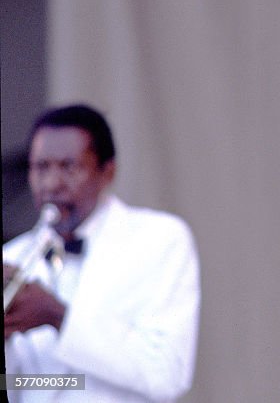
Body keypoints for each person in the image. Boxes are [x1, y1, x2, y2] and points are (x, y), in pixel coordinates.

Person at [3, 104, 200, 402]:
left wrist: (58, 316)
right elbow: (16, 384)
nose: (52, 183)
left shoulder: (160, 240)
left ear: (107, 172)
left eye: (69, 167)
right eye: (41, 167)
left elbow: (167, 375)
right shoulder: (14, 256)